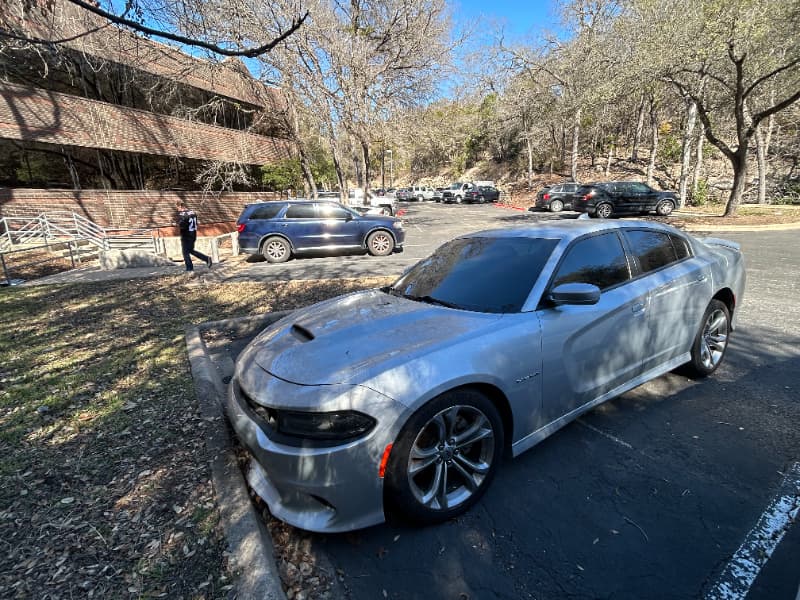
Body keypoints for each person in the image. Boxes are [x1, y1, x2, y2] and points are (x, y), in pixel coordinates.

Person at [175, 200, 212, 273]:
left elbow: (183, 226)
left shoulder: (182, 215)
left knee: (185, 252)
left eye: (177, 208)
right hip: (193, 234)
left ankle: (189, 268)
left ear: (180, 206)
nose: (177, 210)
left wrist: (178, 224)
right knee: (190, 250)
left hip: (186, 235)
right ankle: (206, 258)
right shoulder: (193, 213)